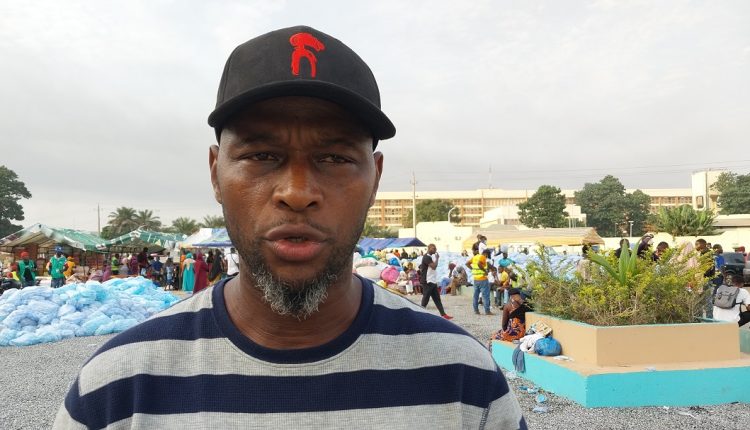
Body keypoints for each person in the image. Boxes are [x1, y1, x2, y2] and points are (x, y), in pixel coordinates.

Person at [55, 26, 523, 429]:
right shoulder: (118, 389)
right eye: (261, 155)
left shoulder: (465, 381)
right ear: (216, 173)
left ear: (375, 178)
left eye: (335, 157)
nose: (297, 192)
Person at [419, 244, 452, 319]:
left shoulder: (431, 256)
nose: (435, 250)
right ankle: (420, 314)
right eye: (433, 248)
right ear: (429, 248)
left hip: (432, 281)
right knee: (426, 298)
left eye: (435, 248)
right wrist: (437, 258)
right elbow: (434, 267)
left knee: (437, 299)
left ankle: (443, 314)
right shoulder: (426, 257)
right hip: (427, 281)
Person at [467, 248, 492, 315]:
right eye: (487, 256)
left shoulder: (475, 257)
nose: (486, 257)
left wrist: (472, 269)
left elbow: (467, 263)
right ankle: (487, 311)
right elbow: (479, 263)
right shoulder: (482, 257)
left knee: (475, 296)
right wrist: (485, 271)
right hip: (483, 279)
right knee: (485, 296)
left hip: (476, 279)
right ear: (486, 254)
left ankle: (476, 310)